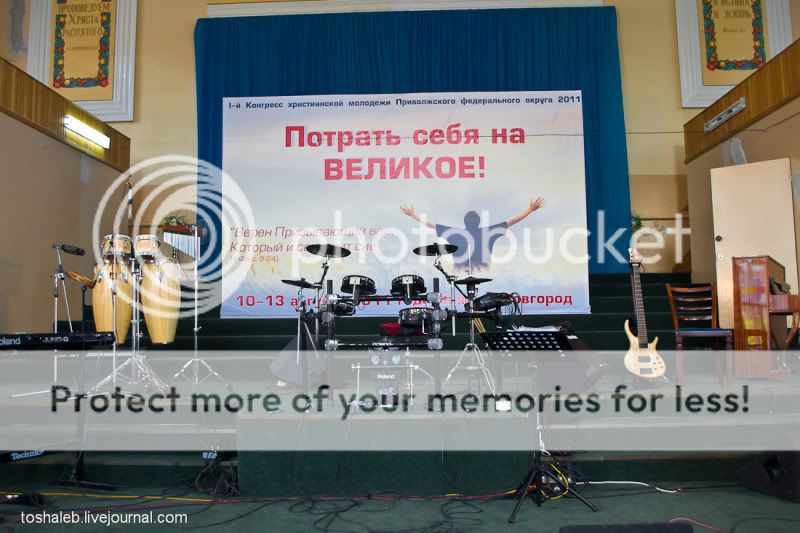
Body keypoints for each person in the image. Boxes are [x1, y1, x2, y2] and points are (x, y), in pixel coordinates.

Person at [400, 198, 545, 271]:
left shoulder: (454, 233)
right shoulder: (488, 232)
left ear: (464, 222)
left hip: (459, 275)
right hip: (484, 274)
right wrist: (530, 209)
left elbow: (430, 225)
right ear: (479, 221)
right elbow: (513, 221)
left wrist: (413, 215)